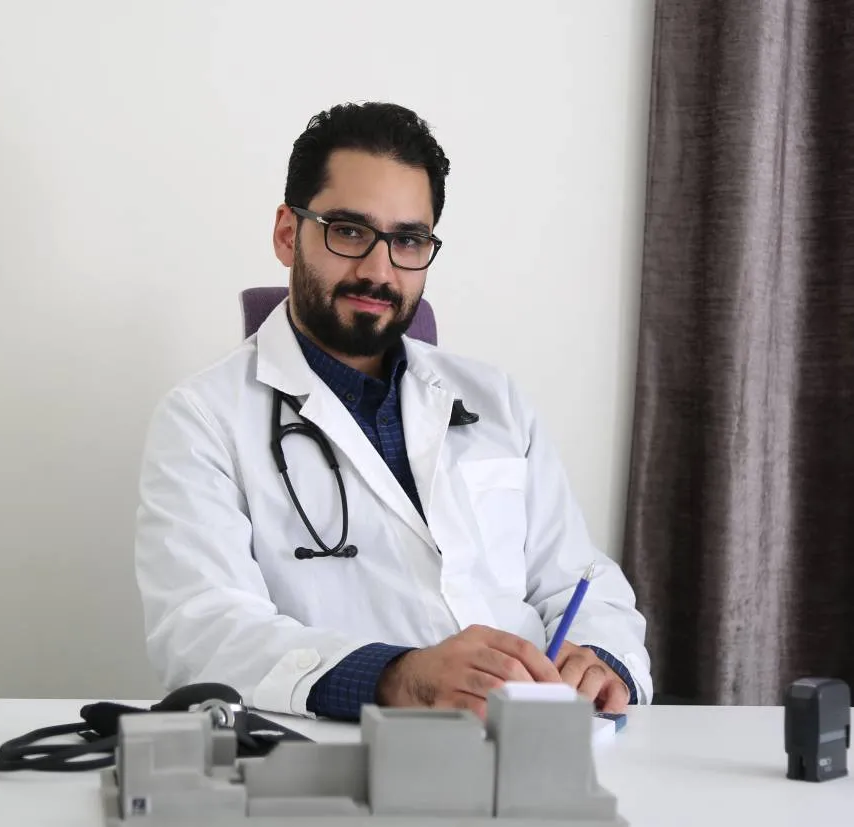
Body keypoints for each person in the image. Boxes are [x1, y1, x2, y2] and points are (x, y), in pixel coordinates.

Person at [133, 101, 651, 721]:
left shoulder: (497, 400)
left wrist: (600, 658)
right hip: (345, 750)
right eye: (349, 231)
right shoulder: (203, 419)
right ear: (287, 233)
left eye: (407, 240)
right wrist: (398, 677)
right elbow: (202, 632)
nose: (378, 271)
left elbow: (579, 580)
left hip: (533, 740)